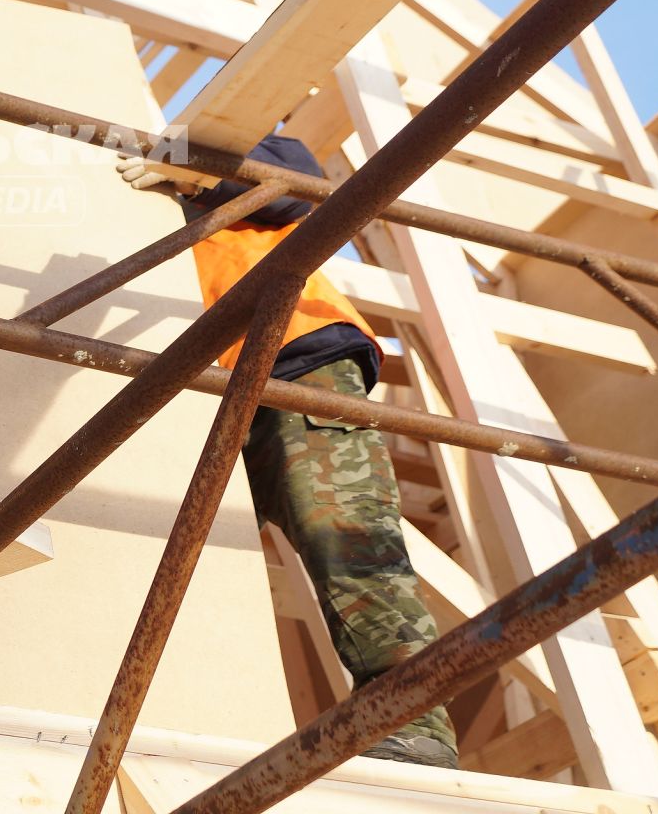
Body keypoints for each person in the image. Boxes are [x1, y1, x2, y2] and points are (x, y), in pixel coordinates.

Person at [118, 135, 459, 768]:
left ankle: (415, 726)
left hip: (299, 362)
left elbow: (299, 179)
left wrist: (194, 175)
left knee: (342, 530)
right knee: (203, 558)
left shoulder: (204, 152)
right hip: (211, 391)